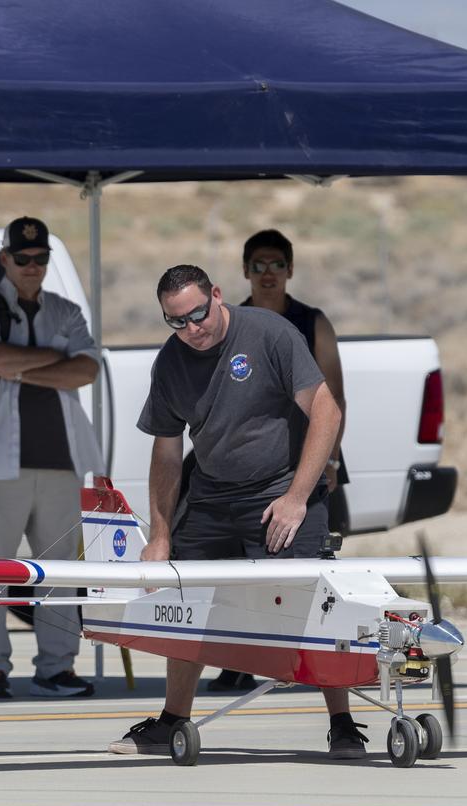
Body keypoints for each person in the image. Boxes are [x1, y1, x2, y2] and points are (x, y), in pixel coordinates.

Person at [109, 264, 370, 760]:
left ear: (219, 297)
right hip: (212, 494)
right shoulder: (170, 363)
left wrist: (296, 498)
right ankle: (172, 721)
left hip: (280, 492)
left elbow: (326, 410)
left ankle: (343, 724)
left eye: (198, 314)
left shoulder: (269, 333)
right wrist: (160, 533)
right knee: (186, 600)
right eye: (176, 321)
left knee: (312, 601)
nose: (192, 329)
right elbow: (166, 453)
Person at [0, 216, 103, 700]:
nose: (32, 266)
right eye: (22, 259)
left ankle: (57, 667)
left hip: (62, 458)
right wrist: (50, 360)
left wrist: (23, 363)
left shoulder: (63, 309)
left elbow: (86, 369)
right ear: (5, 259)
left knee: (60, 570)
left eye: (40, 258)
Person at [206, 228, 351, 693]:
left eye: (277, 265)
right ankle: (236, 658)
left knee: (303, 570)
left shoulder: (313, 323)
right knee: (231, 571)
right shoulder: (229, 323)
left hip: (298, 470)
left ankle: (305, 660)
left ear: (290, 270)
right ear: (245, 271)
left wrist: (326, 462)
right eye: (258, 266)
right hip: (237, 470)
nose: (268, 274)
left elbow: (334, 398)